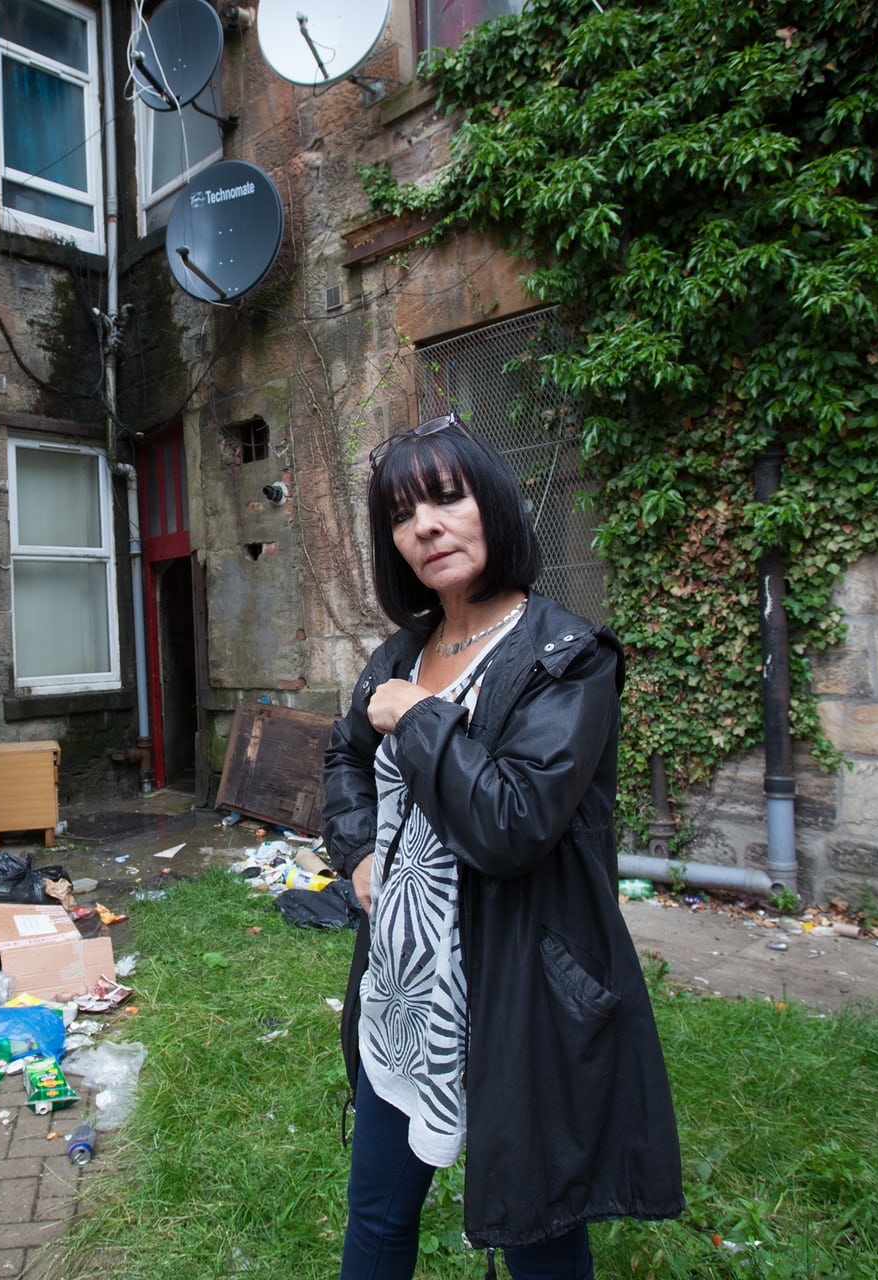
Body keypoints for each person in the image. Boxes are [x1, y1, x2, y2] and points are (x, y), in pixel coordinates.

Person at [323, 415, 684, 1280]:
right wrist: (360, 852)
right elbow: (345, 756)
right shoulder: (402, 653)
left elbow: (513, 823)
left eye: (447, 499)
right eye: (403, 514)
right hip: (403, 988)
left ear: (494, 504)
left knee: (536, 1233)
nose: (426, 527)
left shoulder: (567, 658)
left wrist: (418, 715)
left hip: (519, 996)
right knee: (377, 1214)